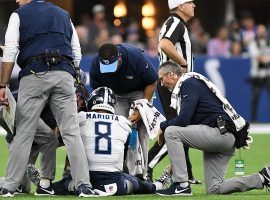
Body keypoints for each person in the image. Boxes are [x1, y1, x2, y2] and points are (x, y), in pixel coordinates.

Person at [0, 0, 96, 197]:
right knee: (71, 133)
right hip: (64, 74)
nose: (17, 0)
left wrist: (3, 84)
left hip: (34, 73)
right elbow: (76, 52)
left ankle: (9, 186)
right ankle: (84, 185)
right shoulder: (63, 14)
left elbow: (10, 50)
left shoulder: (19, 14)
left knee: (24, 133)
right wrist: (70, 74)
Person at [155, 61, 269, 196]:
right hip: (223, 135)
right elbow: (187, 124)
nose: (162, 84)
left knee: (171, 131)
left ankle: (182, 185)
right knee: (215, 189)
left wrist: (162, 126)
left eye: (162, 79)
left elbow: (183, 120)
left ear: (171, 74)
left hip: (220, 134)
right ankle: (263, 177)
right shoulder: (189, 84)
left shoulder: (188, 83)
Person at [28, 87, 159, 196]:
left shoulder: (80, 118)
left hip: (84, 181)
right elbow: (123, 156)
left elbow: (65, 139)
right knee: (135, 183)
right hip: (115, 184)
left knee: (64, 184)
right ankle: (154, 186)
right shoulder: (124, 122)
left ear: (92, 101)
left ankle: (45, 185)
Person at [147, 0, 199, 184]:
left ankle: (187, 174)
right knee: (177, 127)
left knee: (182, 127)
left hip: (172, 82)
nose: (194, 5)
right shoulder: (175, 21)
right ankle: (147, 166)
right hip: (173, 82)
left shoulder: (176, 22)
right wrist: (183, 63)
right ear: (180, 6)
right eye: (190, 2)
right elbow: (165, 44)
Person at [90, 43, 158, 178]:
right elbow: (98, 90)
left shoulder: (135, 57)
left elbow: (152, 82)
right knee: (116, 131)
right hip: (116, 95)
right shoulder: (96, 64)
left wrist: (141, 107)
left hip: (139, 92)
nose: (109, 70)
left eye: (111, 66)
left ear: (119, 58)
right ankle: (118, 170)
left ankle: (143, 174)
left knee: (141, 132)